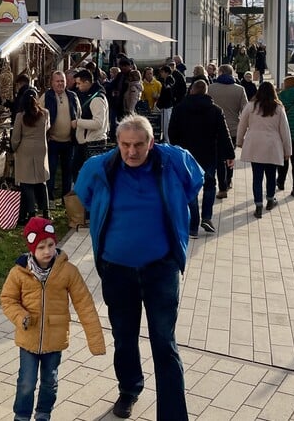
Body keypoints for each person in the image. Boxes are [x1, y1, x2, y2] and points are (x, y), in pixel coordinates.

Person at [74, 114, 203, 420]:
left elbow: (194, 181)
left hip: (161, 270)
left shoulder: (171, 162)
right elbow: (85, 196)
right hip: (117, 270)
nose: (131, 152)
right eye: (125, 145)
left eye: (138, 145)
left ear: (151, 142)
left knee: (164, 341)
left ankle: (172, 414)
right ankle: (129, 388)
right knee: (124, 336)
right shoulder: (100, 167)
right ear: (117, 142)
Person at [0, 217, 106, 421]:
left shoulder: (67, 271)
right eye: (41, 247)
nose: (47, 251)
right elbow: (7, 299)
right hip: (28, 337)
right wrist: (20, 316)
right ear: (32, 248)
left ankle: (43, 414)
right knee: (26, 382)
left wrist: (96, 341)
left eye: (50, 244)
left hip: (55, 338)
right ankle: (21, 416)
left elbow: (84, 304)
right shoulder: (19, 272)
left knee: (50, 380)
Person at [169, 80, 234, 236]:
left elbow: (172, 132)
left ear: (191, 90)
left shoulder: (179, 109)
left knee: (190, 187)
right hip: (209, 154)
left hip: (187, 155)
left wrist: (177, 148)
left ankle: (193, 224)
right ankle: (207, 217)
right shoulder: (215, 110)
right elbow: (223, 134)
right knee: (210, 185)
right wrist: (229, 155)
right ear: (206, 92)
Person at [237, 81, 292, 218]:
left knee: (257, 176)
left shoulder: (251, 106)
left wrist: (239, 141)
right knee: (271, 175)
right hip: (272, 145)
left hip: (255, 144)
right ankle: (270, 198)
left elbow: (242, 124)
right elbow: (285, 131)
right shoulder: (278, 108)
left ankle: (258, 204)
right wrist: (287, 150)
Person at [40, 70, 80, 204]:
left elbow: (78, 113)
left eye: (62, 81)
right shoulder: (47, 96)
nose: (60, 84)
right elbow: (39, 115)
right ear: (52, 83)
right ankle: (49, 199)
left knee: (68, 172)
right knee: (50, 170)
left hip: (69, 141)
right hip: (53, 141)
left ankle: (66, 199)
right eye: (57, 81)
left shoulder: (72, 96)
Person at [208, 64, 247, 200]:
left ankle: (220, 184)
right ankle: (228, 179)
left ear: (221, 72)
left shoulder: (211, 88)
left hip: (213, 128)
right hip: (233, 128)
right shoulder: (240, 89)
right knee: (229, 156)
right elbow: (245, 110)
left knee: (218, 158)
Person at [12, 90, 51, 224]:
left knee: (26, 183)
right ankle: (46, 211)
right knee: (41, 181)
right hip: (41, 148)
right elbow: (47, 128)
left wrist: (13, 148)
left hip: (25, 150)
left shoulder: (20, 116)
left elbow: (16, 137)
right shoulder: (45, 113)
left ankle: (31, 212)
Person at [71, 68, 109, 180]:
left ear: (87, 82)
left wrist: (78, 122)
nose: (77, 86)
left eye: (79, 83)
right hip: (88, 141)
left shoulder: (97, 99)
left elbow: (99, 123)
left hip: (93, 142)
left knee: (88, 175)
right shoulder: (93, 96)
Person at [156, 65, 177, 142]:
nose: (161, 74)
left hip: (166, 106)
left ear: (166, 73)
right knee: (164, 126)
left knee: (166, 126)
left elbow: (168, 94)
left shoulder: (169, 81)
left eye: (162, 72)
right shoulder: (167, 81)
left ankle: (168, 142)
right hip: (166, 106)